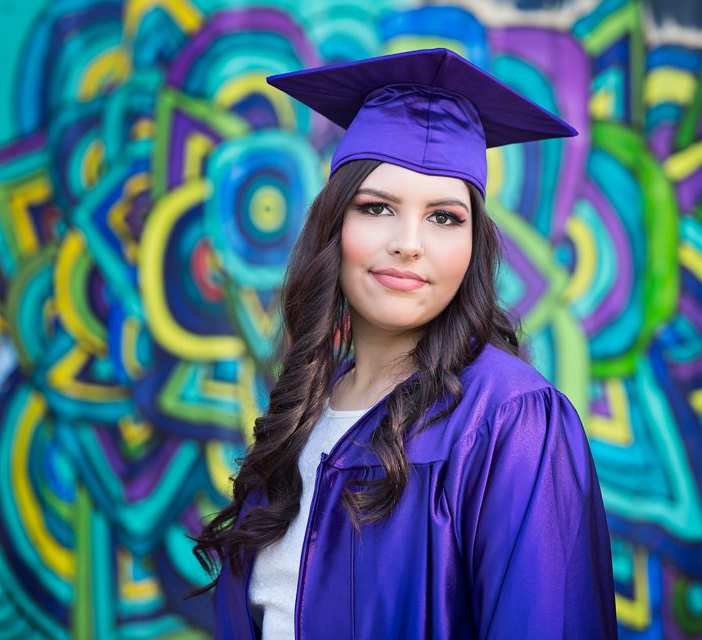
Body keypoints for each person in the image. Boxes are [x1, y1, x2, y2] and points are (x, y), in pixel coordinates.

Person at [192, 48, 618, 639]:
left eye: (444, 217)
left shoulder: (510, 421)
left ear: (474, 248)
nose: (408, 243)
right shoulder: (303, 414)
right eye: (377, 207)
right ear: (334, 225)